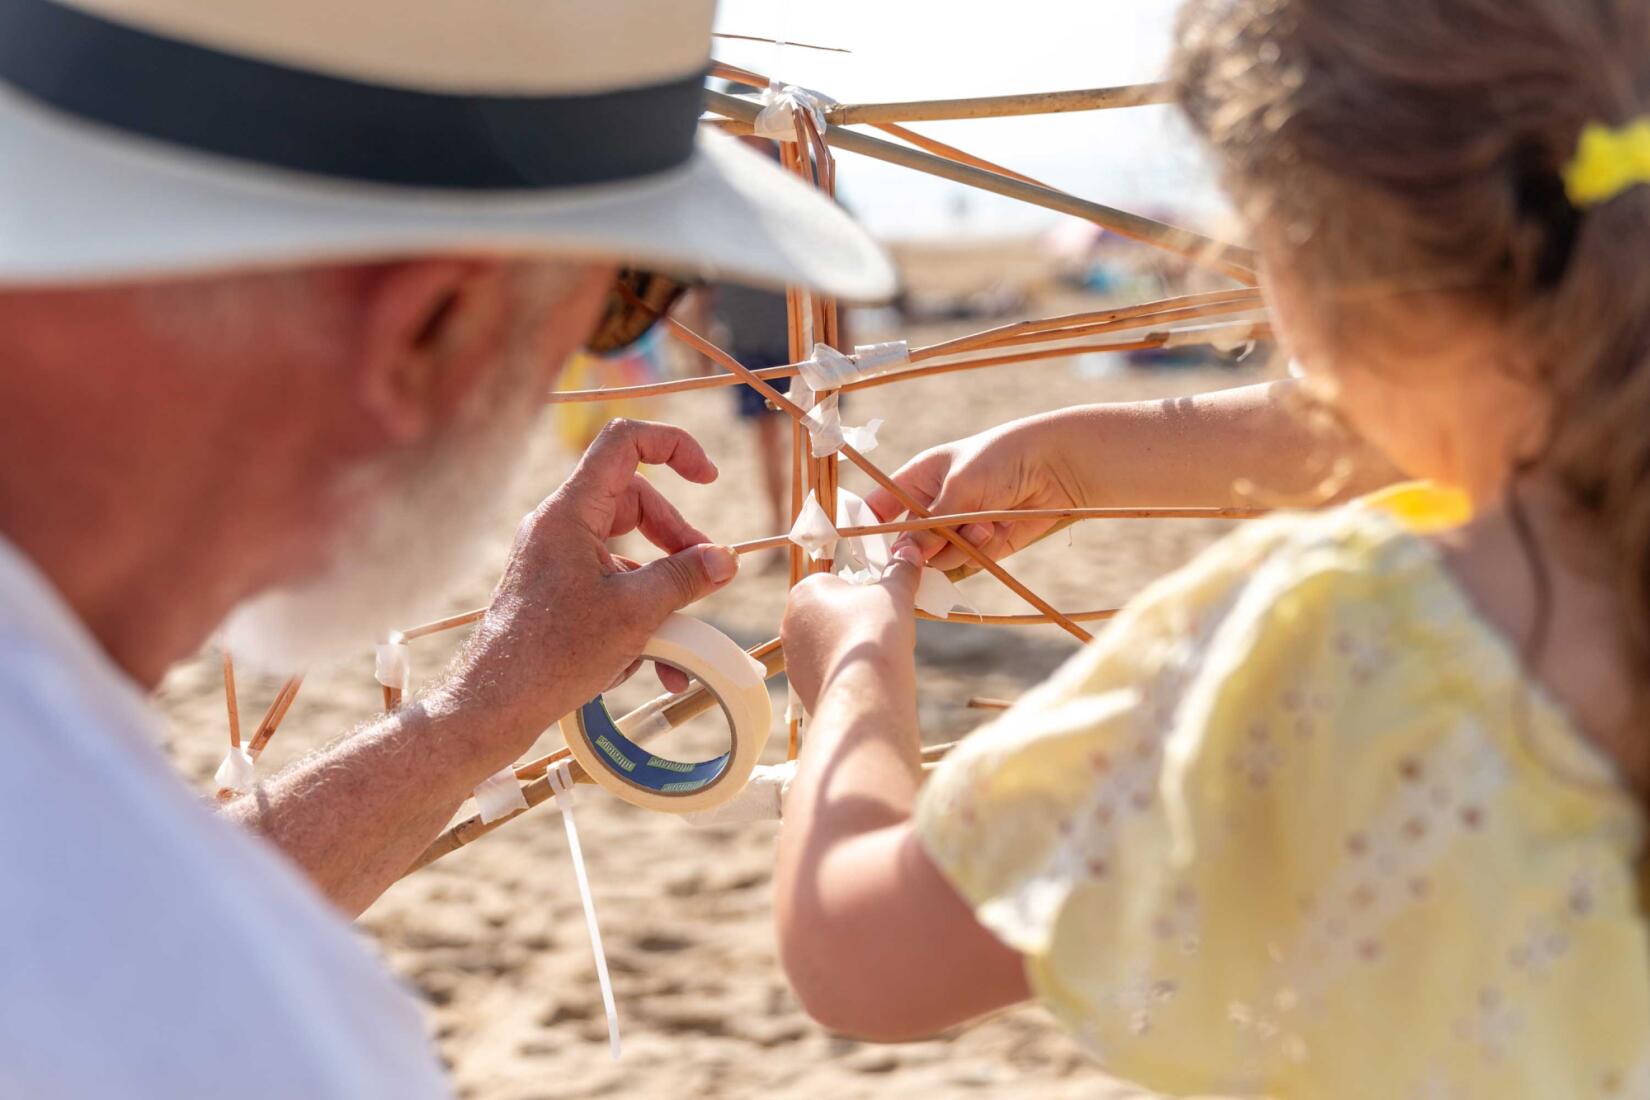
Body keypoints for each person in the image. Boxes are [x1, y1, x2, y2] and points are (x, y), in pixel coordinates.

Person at [0, 0, 893, 1095]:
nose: (603, 345)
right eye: (624, 300)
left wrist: (482, 712)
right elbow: (131, 960)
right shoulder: (243, 1039)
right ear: (433, 328)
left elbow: (109, 916)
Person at [772, 0, 1650, 1096]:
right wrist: (1081, 457)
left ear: (1305, 257)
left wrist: (852, 667)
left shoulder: (1329, 642)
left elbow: (862, 952)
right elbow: (1477, 411)